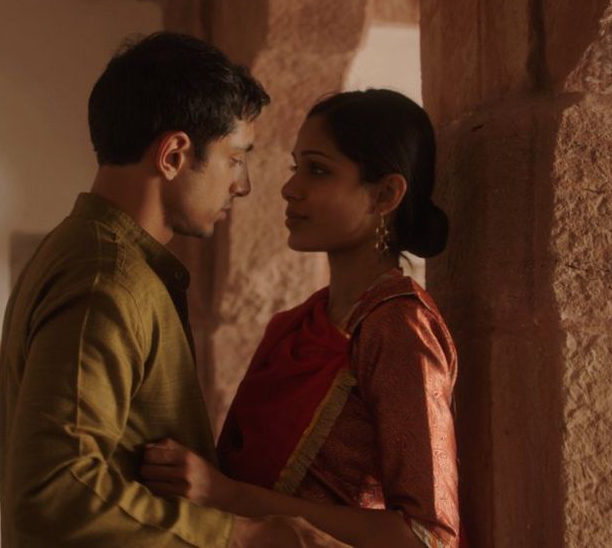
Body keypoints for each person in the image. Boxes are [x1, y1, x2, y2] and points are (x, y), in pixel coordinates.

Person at [0, 32, 349, 548]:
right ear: (174, 155)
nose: (243, 184)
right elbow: (55, 490)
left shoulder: (93, 256)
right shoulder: (106, 279)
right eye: (235, 158)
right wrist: (246, 536)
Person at [140, 89, 462, 548]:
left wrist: (228, 495)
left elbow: (427, 536)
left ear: (386, 194)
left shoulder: (398, 328)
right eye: (296, 168)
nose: (290, 188)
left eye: (318, 170)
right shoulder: (297, 325)